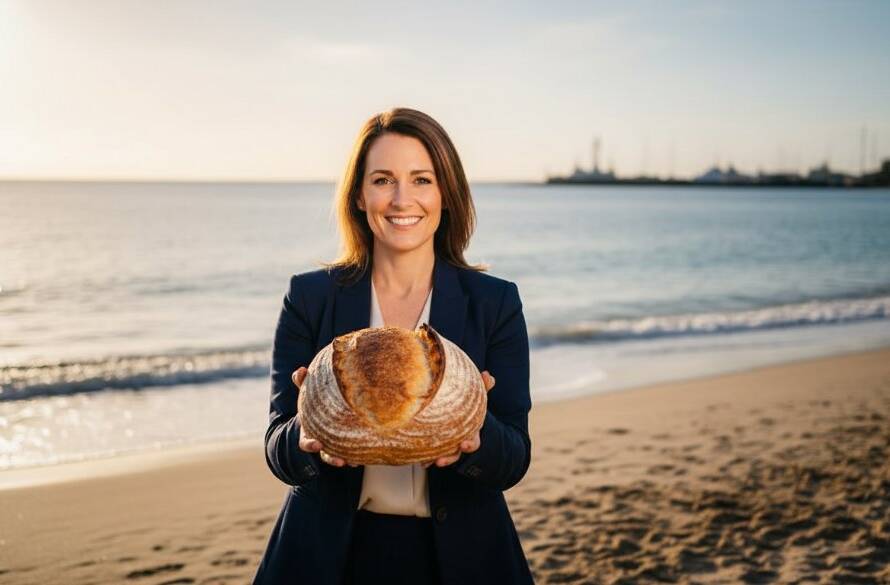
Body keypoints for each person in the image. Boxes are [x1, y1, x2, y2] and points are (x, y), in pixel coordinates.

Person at [252, 107, 534, 585]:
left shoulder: (493, 302)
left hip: (462, 554)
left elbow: (515, 457)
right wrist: (305, 436)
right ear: (360, 196)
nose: (402, 198)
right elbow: (277, 447)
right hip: (327, 555)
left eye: (422, 179)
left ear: (446, 192)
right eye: (383, 180)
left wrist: (474, 431)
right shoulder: (311, 297)